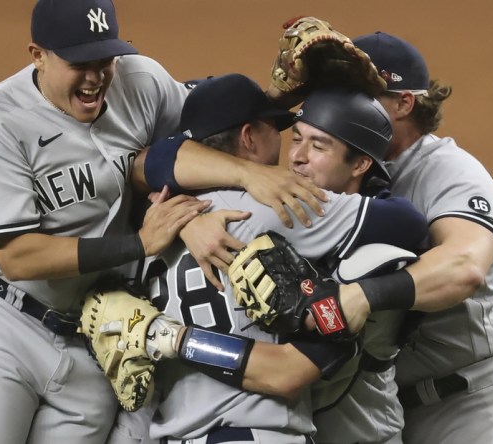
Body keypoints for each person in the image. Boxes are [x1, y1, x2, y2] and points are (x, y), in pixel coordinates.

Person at [0, 0, 326, 442]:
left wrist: (275, 106)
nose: (96, 77)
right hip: (5, 327)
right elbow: (17, 256)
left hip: (99, 335)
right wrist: (140, 243)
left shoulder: (141, 82)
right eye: (79, 63)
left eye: (104, 59)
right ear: (38, 55)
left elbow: (208, 138)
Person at [132, 77, 427, 443]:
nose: (293, 155)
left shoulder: (151, 221)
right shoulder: (276, 205)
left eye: (314, 143)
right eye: (281, 131)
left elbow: (145, 164)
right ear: (249, 137)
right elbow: (407, 223)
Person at [340, 31, 493, 443]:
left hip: (468, 411)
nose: (340, 107)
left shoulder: (450, 171)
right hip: (380, 414)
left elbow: (463, 266)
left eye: (358, 94)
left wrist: (367, 295)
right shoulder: (343, 169)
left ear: (403, 103)